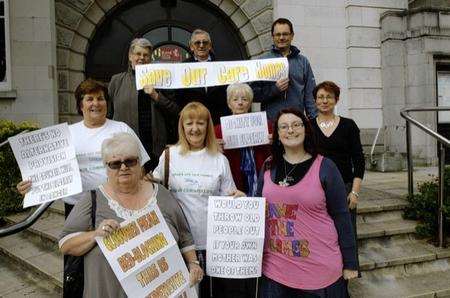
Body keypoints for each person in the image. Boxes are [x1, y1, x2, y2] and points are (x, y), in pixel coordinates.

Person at [59, 132, 203, 297]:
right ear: (106, 167)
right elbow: (65, 244)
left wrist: (193, 264)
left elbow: (184, 236)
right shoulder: (93, 200)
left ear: (140, 163)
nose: (123, 168)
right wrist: (95, 234)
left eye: (130, 161)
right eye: (115, 164)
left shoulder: (161, 194)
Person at [256, 108, 358, 297]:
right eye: (284, 127)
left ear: (306, 130)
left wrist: (351, 262)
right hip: (275, 271)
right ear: (277, 135)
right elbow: (257, 206)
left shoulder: (325, 167)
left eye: (296, 125)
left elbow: (342, 216)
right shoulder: (269, 166)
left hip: (319, 272)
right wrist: (241, 201)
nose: (291, 130)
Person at [17, 78, 150, 218]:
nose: (96, 103)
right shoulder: (66, 134)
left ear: (106, 103)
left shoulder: (122, 128)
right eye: (90, 99)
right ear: (81, 105)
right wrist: (31, 187)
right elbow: (49, 172)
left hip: (117, 204)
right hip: (77, 207)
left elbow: (140, 167)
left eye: (100, 98)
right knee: (78, 240)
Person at [152, 102, 244, 298]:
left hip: (213, 245)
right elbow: (150, 190)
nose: (195, 128)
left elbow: (229, 199)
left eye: (200, 123)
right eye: (189, 123)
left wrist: (240, 199)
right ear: (182, 126)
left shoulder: (220, 160)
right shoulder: (169, 156)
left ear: (208, 126)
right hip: (179, 245)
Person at [311, 80, 365, 275]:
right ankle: (324, 274)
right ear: (315, 101)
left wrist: (355, 192)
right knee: (320, 235)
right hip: (315, 188)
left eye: (329, 97)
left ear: (336, 100)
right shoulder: (308, 127)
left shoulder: (349, 126)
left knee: (346, 233)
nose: (324, 101)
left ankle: (348, 274)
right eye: (320, 97)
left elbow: (358, 160)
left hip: (344, 187)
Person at [108, 38, 179, 170]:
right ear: (130, 56)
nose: (141, 58)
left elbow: (175, 111)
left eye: (145, 55)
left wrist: (156, 96)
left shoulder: (161, 80)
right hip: (125, 151)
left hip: (155, 150)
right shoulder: (117, 81)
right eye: (138, 54)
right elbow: (109, 114)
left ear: (150, 58)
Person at [252, 18, 317, 121]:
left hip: (297, 122)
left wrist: (314, 120)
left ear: (292, 36)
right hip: (271, 124)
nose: (281, 38)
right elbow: (253, 94)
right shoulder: (262, 61)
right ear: (272, 37)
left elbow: (310, 96)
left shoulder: (303, 62)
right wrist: (274, 89)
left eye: (285, 34)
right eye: (278, 34)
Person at [214, 83, 272, 197]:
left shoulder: (264, 125)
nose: (240, 103)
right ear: (229, 103)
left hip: (260, 177)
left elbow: (274, 152)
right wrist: (213, 146)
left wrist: (273, 141)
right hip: (232, 180)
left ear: (250, 103)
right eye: (235, 99)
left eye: (244, 99)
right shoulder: (218, 130)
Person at [176, 29, 228, 124]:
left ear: (210, 46)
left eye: (205, 42)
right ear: (191, 47)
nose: (201, 45)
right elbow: (178, 97)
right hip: (193, 121)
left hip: (218, 121)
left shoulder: (222, 66)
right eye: (197, 43)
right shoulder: (182, 68)